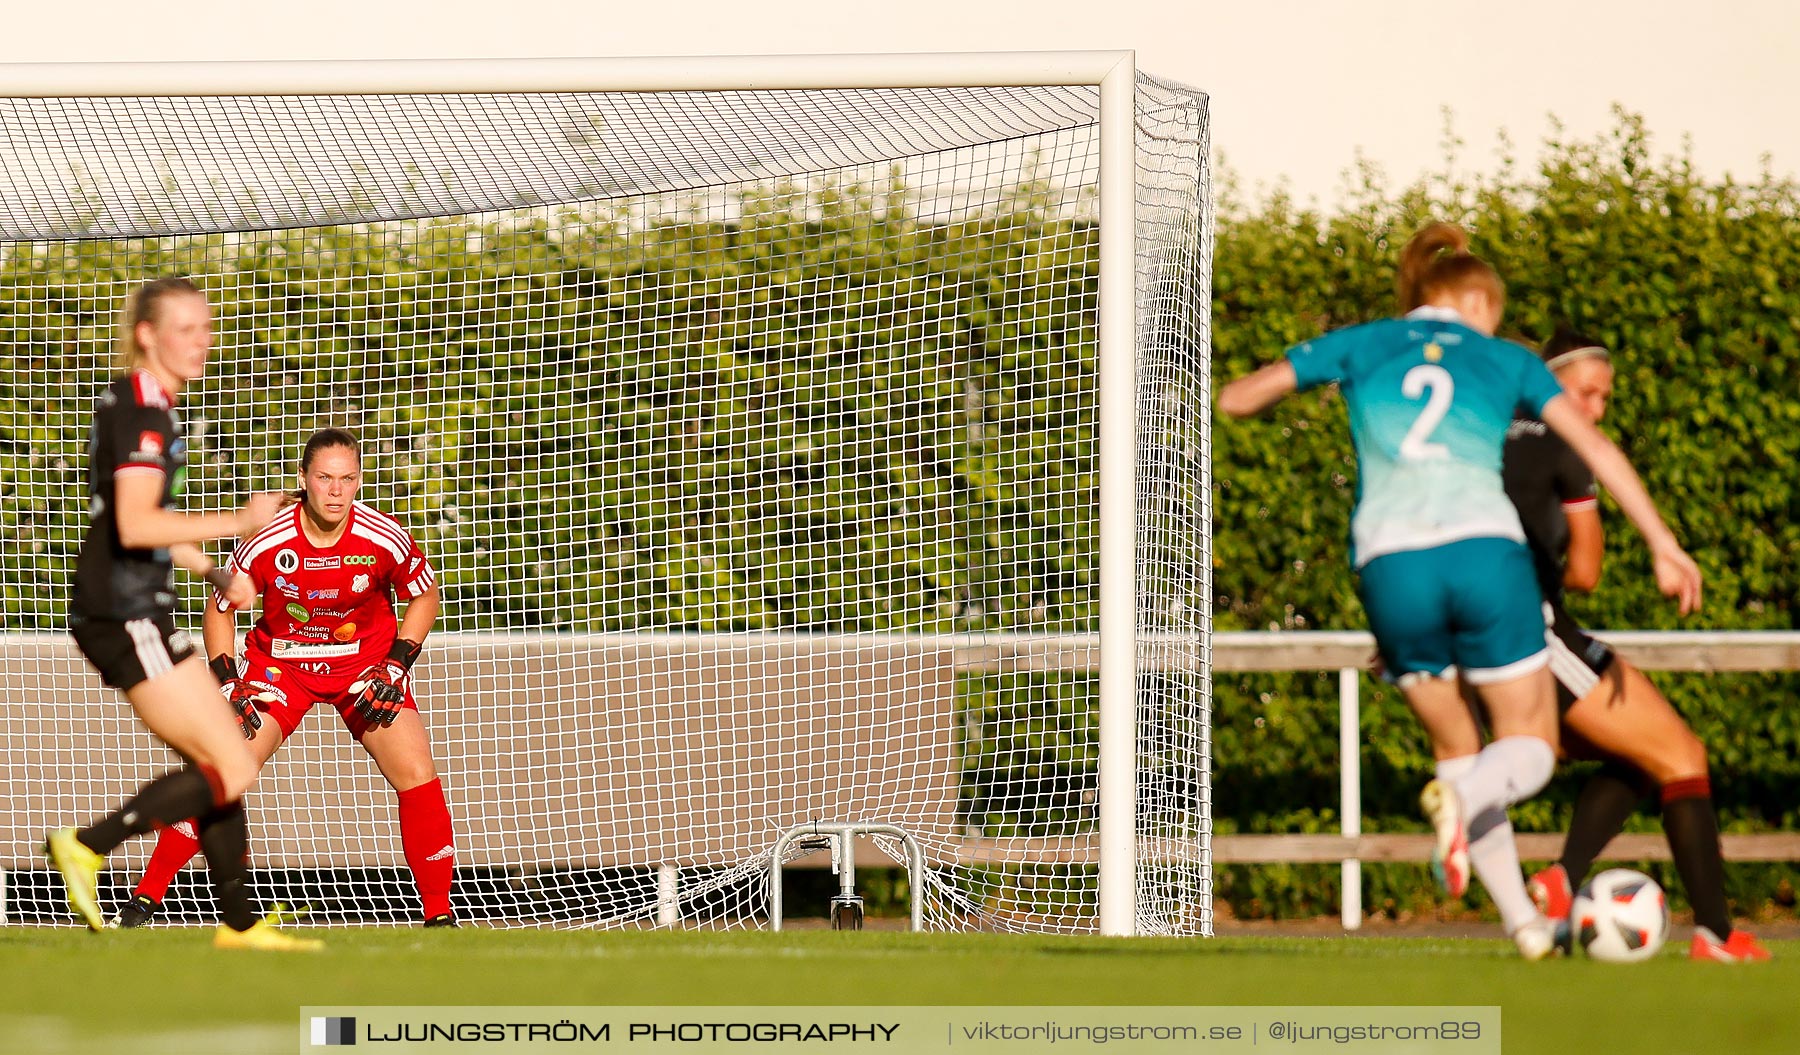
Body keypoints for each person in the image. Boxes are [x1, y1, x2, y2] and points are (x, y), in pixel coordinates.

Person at [1217, 223, 1703, 959]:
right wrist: (1665, 545)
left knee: (1455, 744)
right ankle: (1471, 802)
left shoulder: (1364, 341)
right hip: (1485, 553)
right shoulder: (1505, 359)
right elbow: (1594, 447)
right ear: (1476, 300)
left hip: (1388, 562)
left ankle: (1526, 925)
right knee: (1529, 744)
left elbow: (1240, 398)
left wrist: (1292, 380)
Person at [44, 276, 319, 951]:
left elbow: (129, 516)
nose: (203, 340)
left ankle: (241, 924)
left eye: (207, 327)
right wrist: (242, 520)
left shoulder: (146, 403)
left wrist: (214, 568)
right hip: (124, 612)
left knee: (225, 756)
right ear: (147, 334)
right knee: (231, 761)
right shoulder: (145, 411)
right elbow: (137, 524)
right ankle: (88, 843)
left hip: (136, 607)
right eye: (187, 328)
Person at [109, 427, 457, 929]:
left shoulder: (384, 536)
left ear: (359, 482)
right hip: (282, 669)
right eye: (324, 478)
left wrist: (397, 664)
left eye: (347, 480)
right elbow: (220, 609)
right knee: (223, 771)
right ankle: (144, 901)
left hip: (364, 667)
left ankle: (439, 918)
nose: (336, 491)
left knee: (417, 772)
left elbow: (425, 596)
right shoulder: (268, 540)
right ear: (303, 479)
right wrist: (228, 683)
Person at [1500, 327, 1769, 962]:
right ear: (1550, 381)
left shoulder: (1476, 435)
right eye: (1587, 394)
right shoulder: (1561, 441)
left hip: (1474, 637)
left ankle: (1562, 880)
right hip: (1533, 634)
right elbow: (1587, 573)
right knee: (1682, 756)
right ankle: (1716, 934)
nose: (1594, 411)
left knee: (1643, 756)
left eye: (1603, 400)